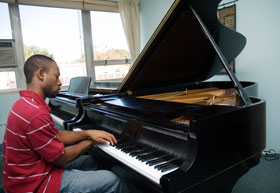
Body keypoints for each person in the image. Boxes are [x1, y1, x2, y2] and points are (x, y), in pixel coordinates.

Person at [3, 54, 129, 193]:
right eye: (56, 76)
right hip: (35, 184)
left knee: (95, 161)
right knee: (113, 181)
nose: (60, 82)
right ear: (41, 74)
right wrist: (90, 141)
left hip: (28, 174)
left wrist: (87, 133)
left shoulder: (24, 103)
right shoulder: (35, 114)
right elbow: (61, 158)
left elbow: (56, 135)